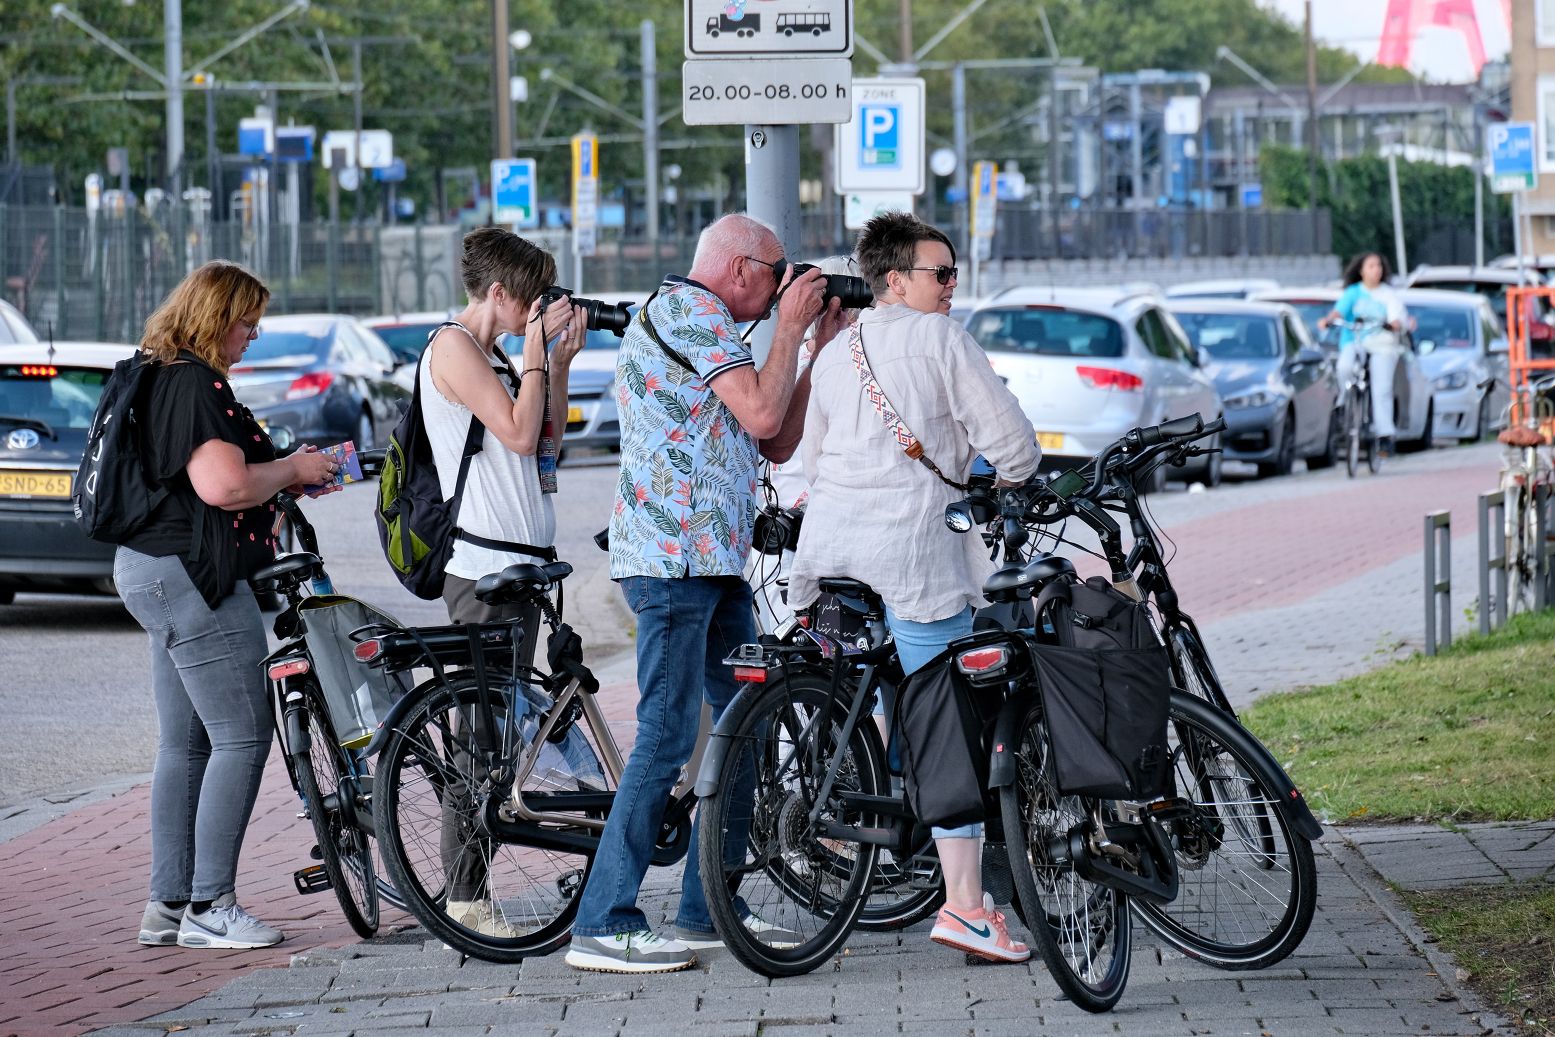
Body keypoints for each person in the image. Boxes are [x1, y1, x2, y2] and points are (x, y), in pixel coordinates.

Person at [564, 213, 839, 974]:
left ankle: (704, 907)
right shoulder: (686, 310)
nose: (785, 287)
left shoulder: (719, 329)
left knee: (745, 724)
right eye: (778, 272)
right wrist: (788, 327)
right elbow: (759, 410)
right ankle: (602, 920)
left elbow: (774, 433)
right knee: (664, 731)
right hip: (671, 561)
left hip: (712, 562)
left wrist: (810, 344)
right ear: (741, 266)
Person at [787, 211, 1041, 964]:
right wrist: (1022, 480)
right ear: (894, 279)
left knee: (883, 690)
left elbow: (810, 457)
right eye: (941, 273)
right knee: (946, 724)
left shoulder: (837, 351)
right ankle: (965, 906)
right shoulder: (939, 339)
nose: (952, 286)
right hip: (911, 551)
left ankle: (872, 805)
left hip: (831, 552)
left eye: (955, 273)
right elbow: (1011, 442)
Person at [119, 260, 338, 949]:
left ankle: (169, 901)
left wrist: (282, 482)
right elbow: (222, 485)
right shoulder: (194, 382)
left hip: (150, 567)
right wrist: (294, 469)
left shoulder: (159, 371)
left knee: (184, 743)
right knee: (241, 735)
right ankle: (211, 903)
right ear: (217, 318)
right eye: (247, 320)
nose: (255, 333)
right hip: (193, 576)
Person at [419, 227, 586, 937]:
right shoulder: (453, 347)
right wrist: (532, 354)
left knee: (505, 741)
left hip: (517, 564)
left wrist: (560, 362)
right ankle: (464, 897)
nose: (536, 310)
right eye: (531, 298)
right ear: (497, 293)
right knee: (480, 740)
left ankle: (472, 887)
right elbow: (517, 435)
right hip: (481, 571)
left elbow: (545, 445)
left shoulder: (490, 352)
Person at [1319, 252, 1409, 457]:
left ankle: (1384, 436)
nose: (1376, 270)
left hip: (1381, 345)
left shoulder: (1388, 294)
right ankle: (1344, 404)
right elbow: (1339, 311)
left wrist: (1394, 324)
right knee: (1344, 368)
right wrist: (1328, 320)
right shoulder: (1353, 292)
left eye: (1378, 265)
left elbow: (1397, 317)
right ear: (1361, 270)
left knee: (1381, 388)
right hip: (1354, 341)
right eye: (1371, 266)